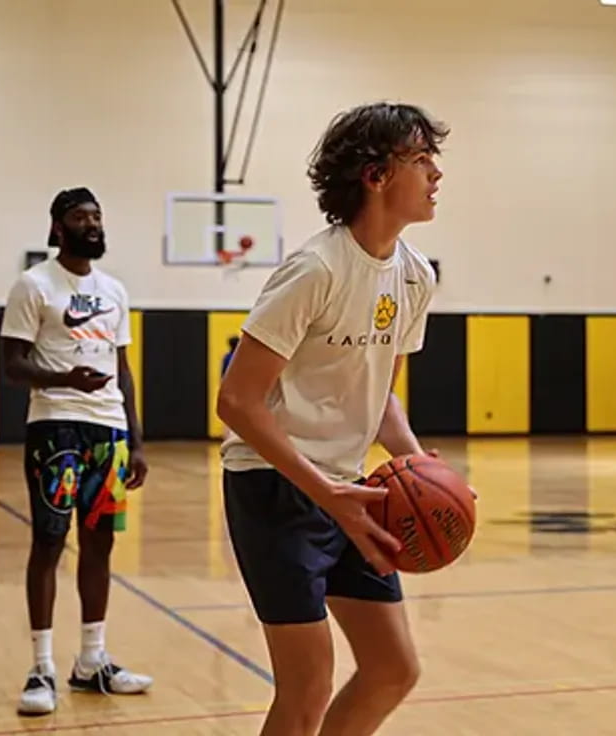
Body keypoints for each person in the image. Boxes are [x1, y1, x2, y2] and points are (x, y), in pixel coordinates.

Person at [216, 101, 449, 736]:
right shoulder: (315, 270)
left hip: (350, 493)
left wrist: (420, 465)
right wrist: (326, 493)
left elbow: (380, 400)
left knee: (391, 668)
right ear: (376, 175)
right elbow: (235, 401)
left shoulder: (414, 276)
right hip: (274, 488)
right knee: (307, 682)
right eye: (421, 158)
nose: (436, 173)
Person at [0, 187, 152, 716]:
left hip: (107, 431)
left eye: (97, 216)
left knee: (101, 543)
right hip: (55, 427)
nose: (92, 224)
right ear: (58, 227)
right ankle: (40, 667)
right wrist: (66, 377)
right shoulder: (33, 285)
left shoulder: (115, 289)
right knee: (48, 541)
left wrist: (134, 438)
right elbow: (13, 365)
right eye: (81, 217)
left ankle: (92, 661)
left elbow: (124, 367)